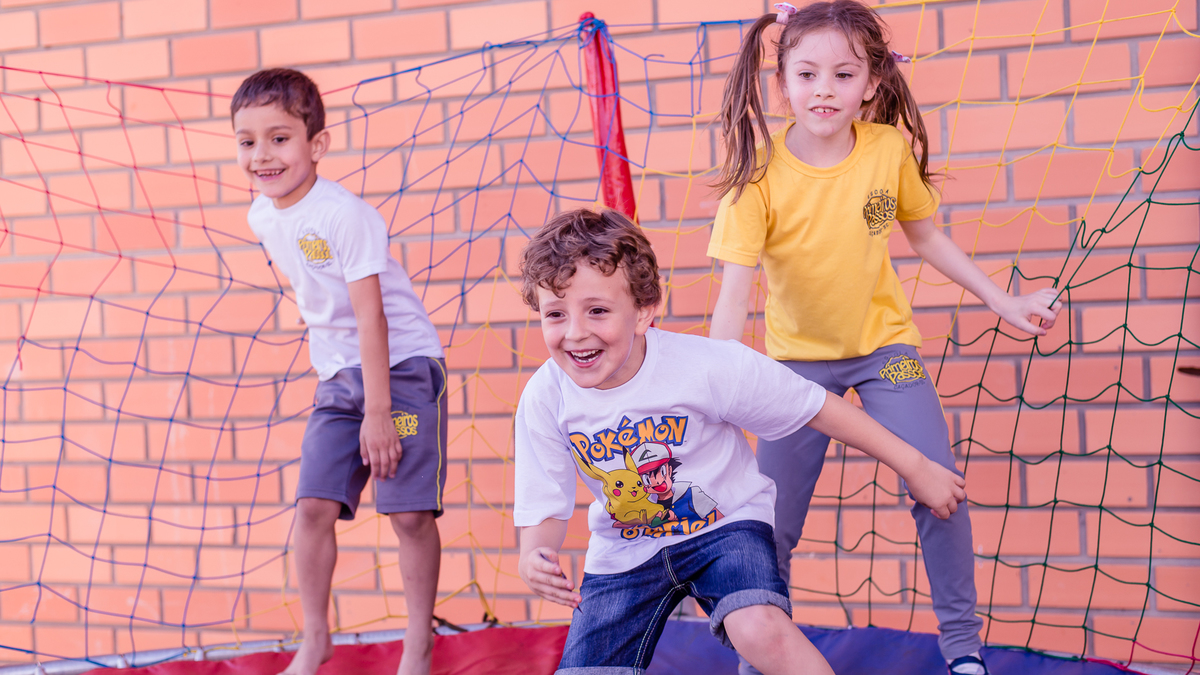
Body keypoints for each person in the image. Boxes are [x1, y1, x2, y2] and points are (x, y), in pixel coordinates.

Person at [706, 3, 1064, 674]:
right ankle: (761, 658)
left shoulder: (884, 150)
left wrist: (1003, 300)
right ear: (782, 82)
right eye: (807, 74)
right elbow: (733, 297)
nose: (824, 90)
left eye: (843, 75)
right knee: (770, 523)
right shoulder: (758, 175)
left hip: (886, 356)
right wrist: (714, 394)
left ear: (871, 82)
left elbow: (926, 237)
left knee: (939, 486)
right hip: (795, 370)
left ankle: (963, 650)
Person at [513, 208, 968, 675]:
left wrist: (915, 466)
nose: (575, 333)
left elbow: (817, 407)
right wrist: (534, 556)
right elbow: (543, 502)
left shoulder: (704, 366)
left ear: (643, 311)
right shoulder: (546, 397)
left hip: (724, 528)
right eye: (555, 314)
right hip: (624, 551)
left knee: (757, 628)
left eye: (597, 311)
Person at [231, 68, 447, 675]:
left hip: (401, 369)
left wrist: (378, 412)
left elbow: (371, 317)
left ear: (316, 144)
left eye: (279, 139)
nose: (261, 155)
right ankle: (316, 638)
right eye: (247, 141)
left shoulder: (346, 216)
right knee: (313, 508)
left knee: (407, 513)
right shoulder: (261, 215)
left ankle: (418, 644)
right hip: (338, 377)